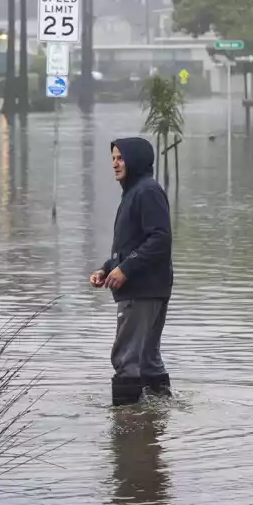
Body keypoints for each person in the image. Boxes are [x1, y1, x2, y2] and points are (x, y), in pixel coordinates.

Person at [90, 137, 173, 406]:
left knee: (126, 359)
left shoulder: (145, 192)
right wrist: (108, 268)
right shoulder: (135, 192)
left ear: (135, 159)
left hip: (141, 290)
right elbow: (133, 244)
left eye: (121, 158)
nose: (115, 163)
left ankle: (127, 430)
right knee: (147, 360)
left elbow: (160, 238)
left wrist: (126, 269)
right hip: (149, 287)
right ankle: (156, 420)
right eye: (113, 158)